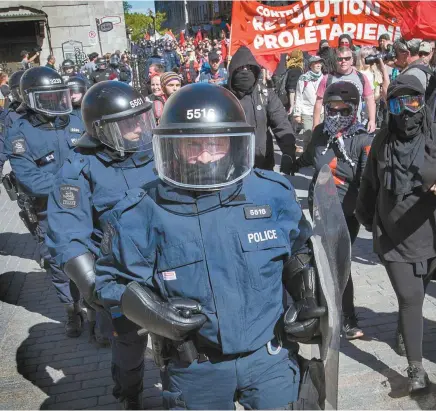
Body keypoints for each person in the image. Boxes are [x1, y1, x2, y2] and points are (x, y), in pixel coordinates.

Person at [94, 83, 325, 409]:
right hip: (195, 367)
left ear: (234, 144)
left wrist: (307, 295)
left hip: (269, 357)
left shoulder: (271, 194)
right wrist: (154, 313)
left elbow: (299, 251)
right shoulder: (142, 210)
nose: (204, 156)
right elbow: (110, 282)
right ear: (172, 147)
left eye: (215, 144)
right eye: (193, 145)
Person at [355, 75, 436, 393]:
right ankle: (417, 369)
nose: (407, 111)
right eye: (398, 103)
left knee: (419, 290)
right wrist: (364, 218)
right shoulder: (383, 140)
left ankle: (405, 329)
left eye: (413, 101)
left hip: (435, 235)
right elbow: (369, 183)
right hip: (394, 235)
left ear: (423, 102)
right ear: (390, 107)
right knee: (411, 299)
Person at [46, 81, 158, 408]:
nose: (139, 127)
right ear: (103, 130)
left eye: (141, 118)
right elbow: (67, 231)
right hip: (121, 278)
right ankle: (130, 394)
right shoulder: (78, 168)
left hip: (169, 266)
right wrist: (92, 284)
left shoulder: (160, 152)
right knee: (129, 349)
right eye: (128, 122)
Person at [4, 66, 86, 337]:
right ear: (30, 99)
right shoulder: (19, 133)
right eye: (46, 97)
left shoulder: (76, 120)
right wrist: (71, 189)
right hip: (48, 210)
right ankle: (71, 310)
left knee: (93, 258)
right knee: (58, 264)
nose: (54, 102)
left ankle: (97, 313)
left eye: (57, 95)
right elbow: (29, 178)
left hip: (86, 207)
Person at [295, 81, 373, 340]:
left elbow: (366, 182)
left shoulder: (362, 139)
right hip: (319, 208)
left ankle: (348, 318)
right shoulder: (320, 132)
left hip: (346, 214)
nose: (337, 116)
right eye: (332, 109)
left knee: (339, 264)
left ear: (354, 108)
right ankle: (323, 314)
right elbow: (309, 158)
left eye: (344, 110)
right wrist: (289, 163)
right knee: (322, 263)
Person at [228, 46, 297, 173]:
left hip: (263, 166)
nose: (245, 72)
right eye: (240, 68)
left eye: (249, 68)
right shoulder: (224, 96)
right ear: (233, 70)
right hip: (231, 167)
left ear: (255, 71)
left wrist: (288, 152)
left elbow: (281, 122)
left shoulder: (265, 94)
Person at [313, 47, 376, 133]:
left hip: (355, 126)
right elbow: (319, 103)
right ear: (336, 60)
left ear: (352, 60)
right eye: (340, 59)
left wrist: (372, 120)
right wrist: (315, 125)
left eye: (347, 58)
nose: (344, 61)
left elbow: (370, 100)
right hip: (332, 127)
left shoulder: (361, 77)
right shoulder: (327, 79)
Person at [293, 56, 325, 151]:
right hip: (307, 112)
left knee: (320, 136)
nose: (318, 65)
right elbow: (298, 96)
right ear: (311, 65)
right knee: (308, 136)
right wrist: (297, 114)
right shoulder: (303, 79)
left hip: (321, 112)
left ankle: (317, 156)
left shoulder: (324, 78)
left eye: (320, 63)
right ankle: (307, 157)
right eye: (316, 63)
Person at [356, 47, 390, 129]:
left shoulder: (376, 73)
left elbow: (379, 89)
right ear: (360, 58)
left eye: (369, 57)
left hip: (372, 106)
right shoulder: (357, 73)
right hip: (359, 106)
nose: (367, 60)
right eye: (364, 57)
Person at [0, 71, 25, 178]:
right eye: (20, 91)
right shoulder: (11, 116)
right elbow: (2, 141)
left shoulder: (47, 110)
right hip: (26, 169)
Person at [285, 50, 304, 115]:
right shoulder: (296, 70)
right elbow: (292, 90)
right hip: (293, 103)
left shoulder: (291, 69)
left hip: (290, 101)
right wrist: (292, 106)